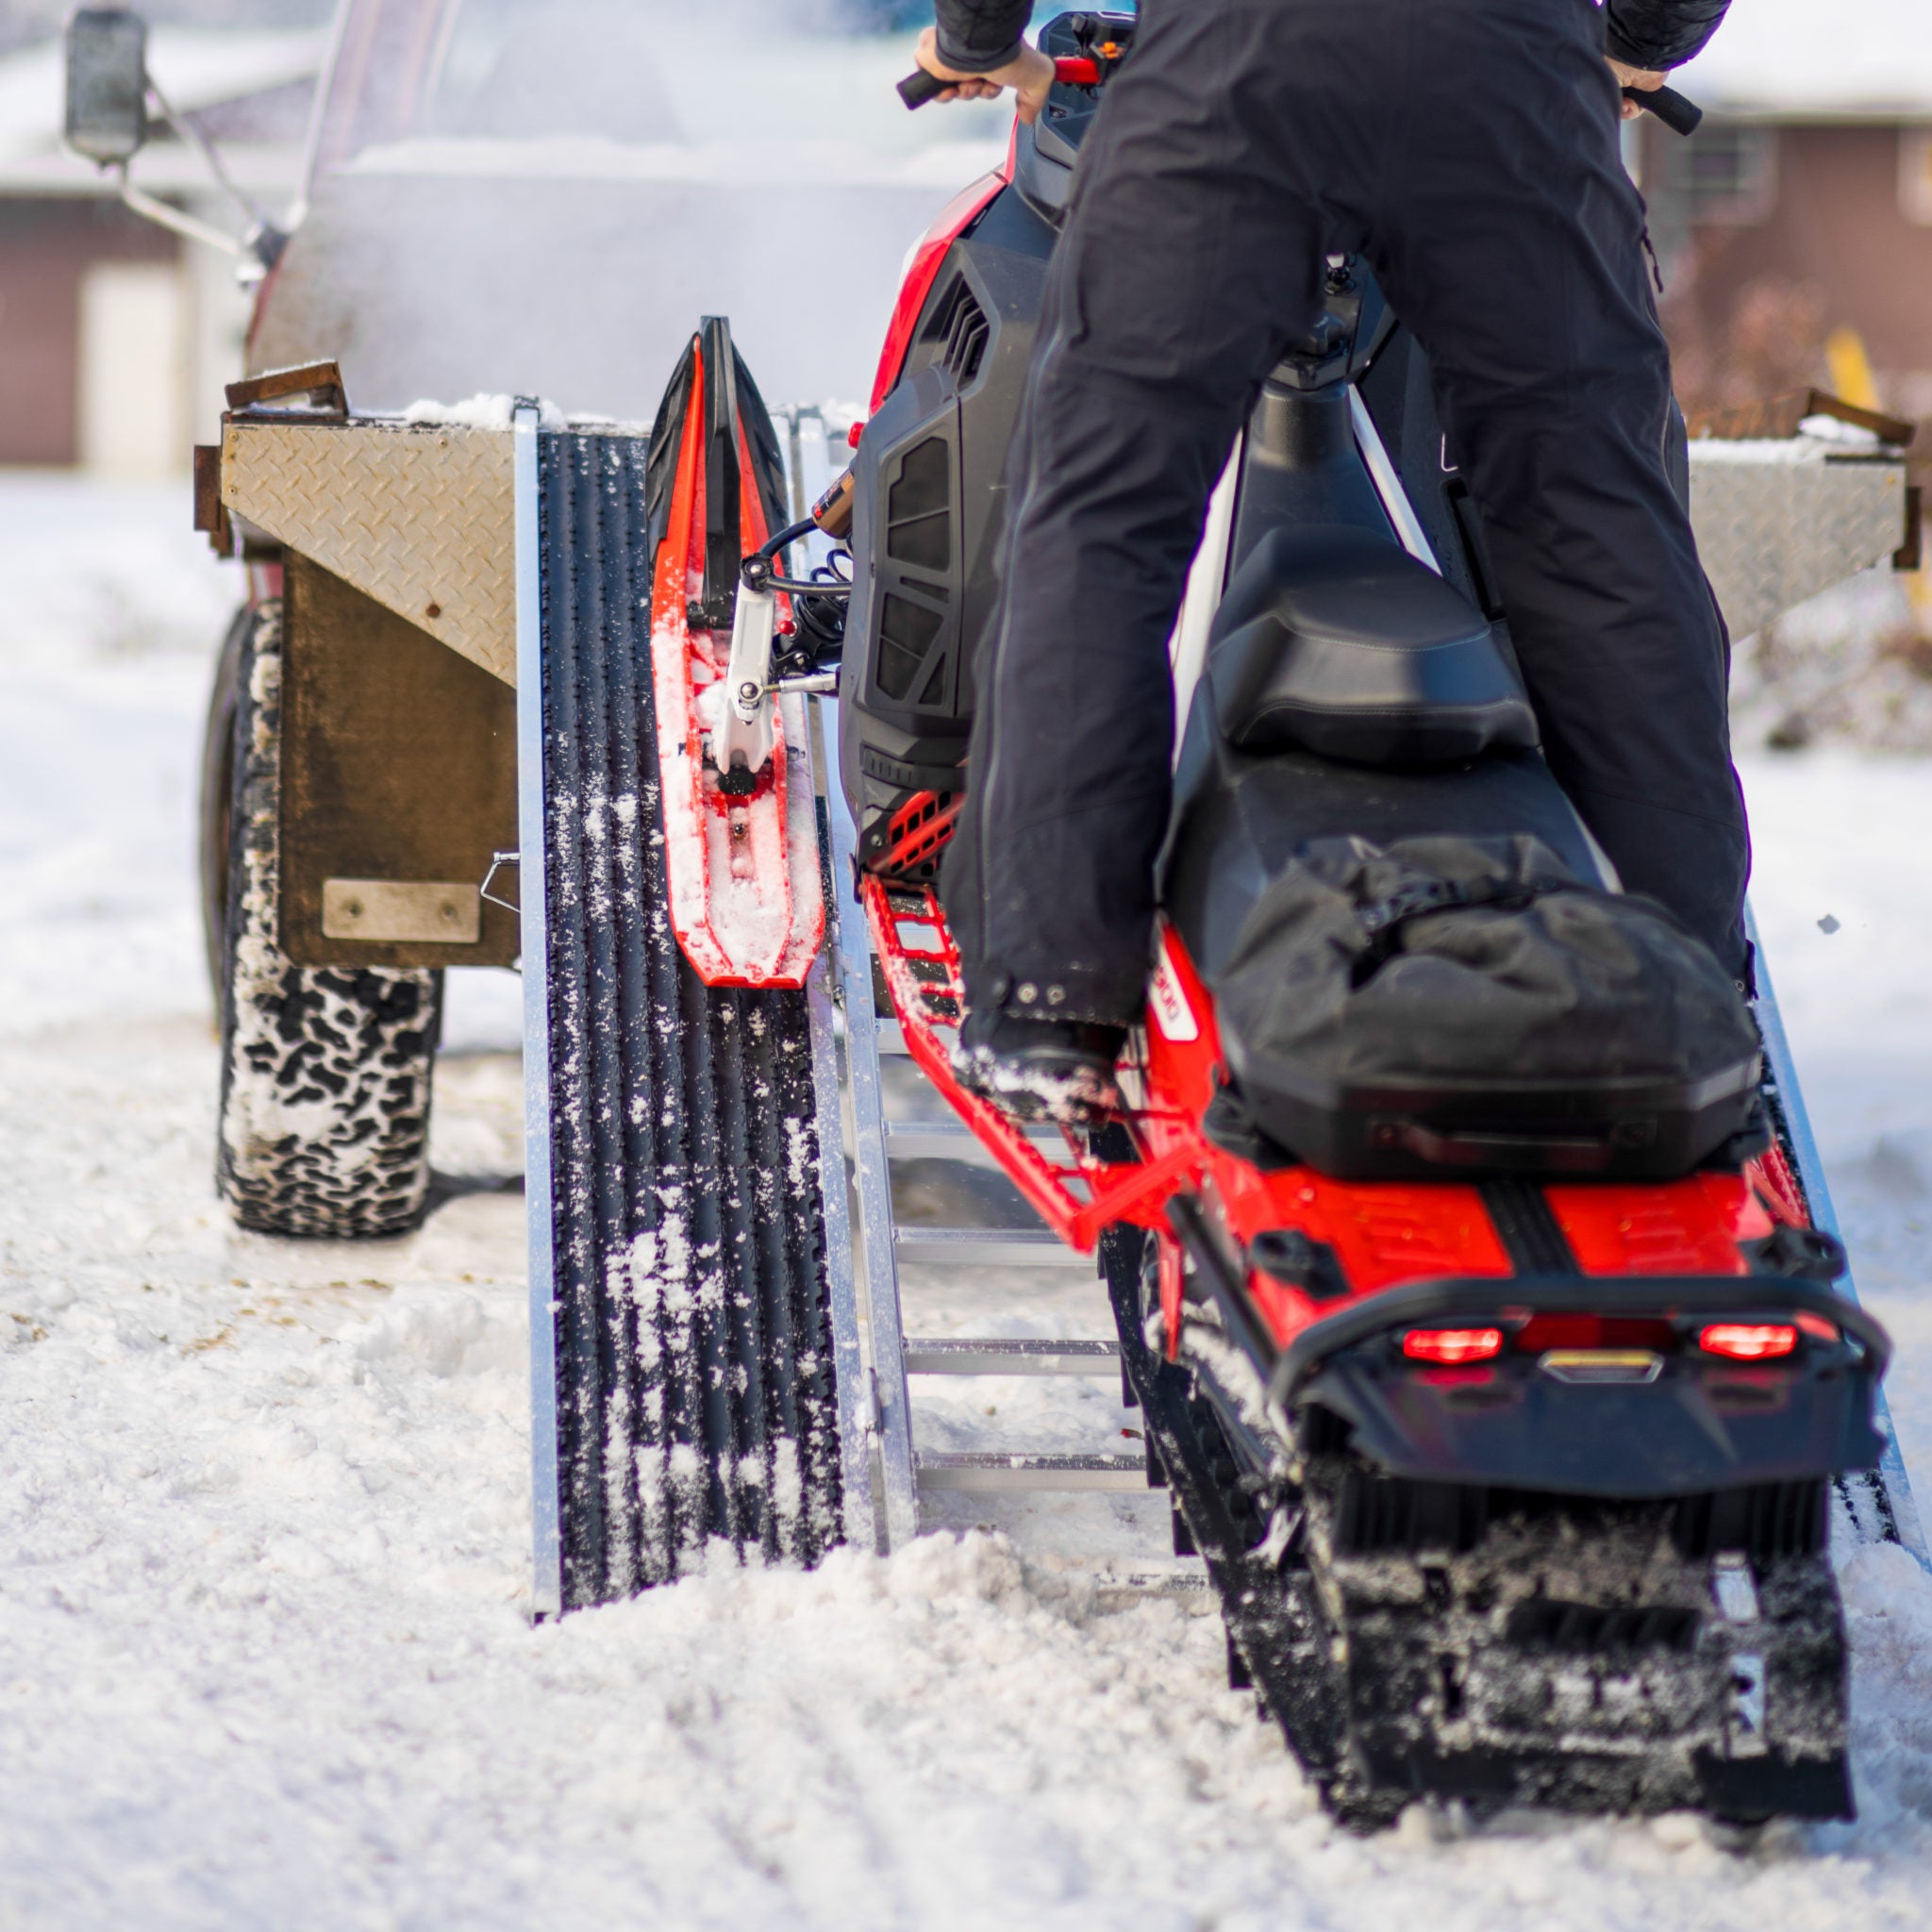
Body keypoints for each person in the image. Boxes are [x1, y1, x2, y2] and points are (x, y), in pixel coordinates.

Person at [911, 0, 1750, 1123]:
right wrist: (1639, 44)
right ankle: (1686, 984)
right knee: (1595, 525)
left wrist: (973, 40)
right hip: (1500, 65)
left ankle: (1049, 994)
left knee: (1105, 507)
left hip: (1233, 63)